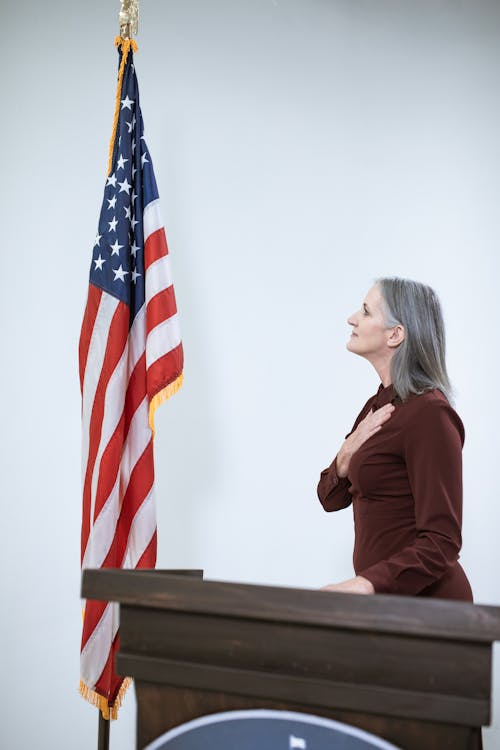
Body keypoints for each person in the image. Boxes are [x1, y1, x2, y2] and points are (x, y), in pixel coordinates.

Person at [317, 277, 473, 601]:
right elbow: (329, 498)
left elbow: (442, 541)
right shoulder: (378, 406)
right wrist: (344, 456)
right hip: (389, 604)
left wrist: (366, 583)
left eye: (365, 311)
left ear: (395, 334)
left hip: (430, 609)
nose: (351, 319)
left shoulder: (429, 413)